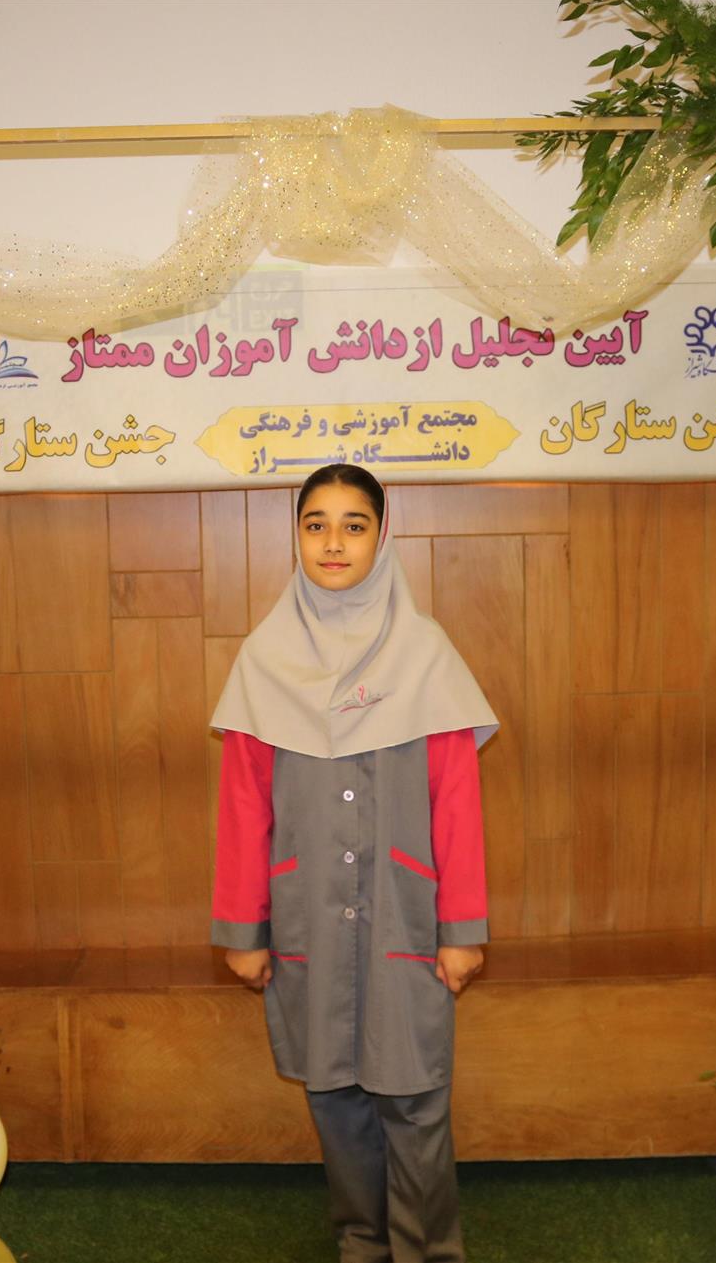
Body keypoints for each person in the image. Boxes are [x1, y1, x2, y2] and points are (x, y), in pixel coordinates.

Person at [210, 463, 498, 1263]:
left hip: (407, 918)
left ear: (382, 535)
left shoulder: (427, 655)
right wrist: (243, 931)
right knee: (333, 1094)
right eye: (316, 524)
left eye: (353, 524)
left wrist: (462, 928)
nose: (333, 542)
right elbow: (243, 808)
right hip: (306, 918)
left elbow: (456, 804)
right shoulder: (263, 661)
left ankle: (428, 1251)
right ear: (297, 537)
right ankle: (361, 1245)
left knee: (415, 1095)